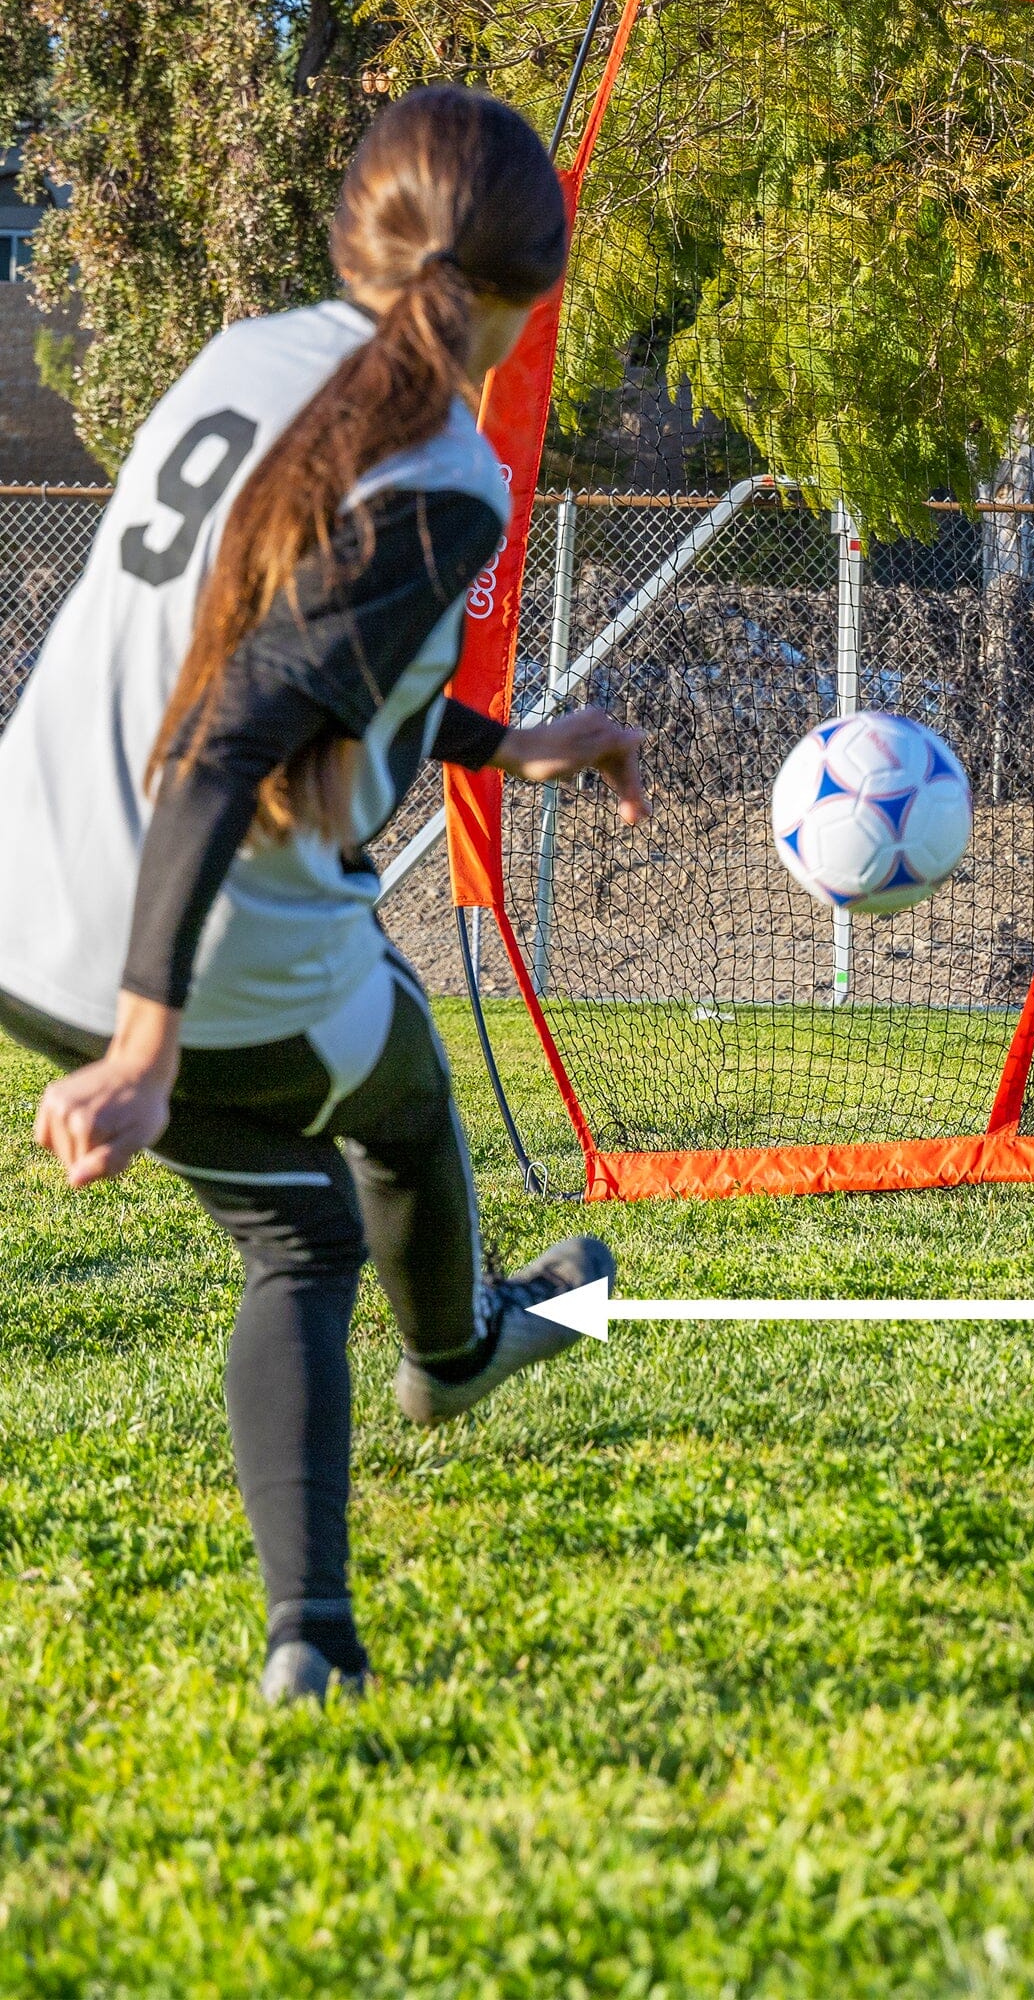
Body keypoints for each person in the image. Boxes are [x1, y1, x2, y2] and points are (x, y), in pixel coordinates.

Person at [0, 86, 651, 1705]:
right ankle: (460, 1358)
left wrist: (519, 742)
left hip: (20, 904)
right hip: (192, 956)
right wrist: (145, 1048)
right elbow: (231, 737)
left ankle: (321, 1637)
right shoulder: (450, 476)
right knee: (385, 1113)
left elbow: (319, 661)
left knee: (297, 1214)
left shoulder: (243, 356)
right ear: (532, 293)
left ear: (351, 234)